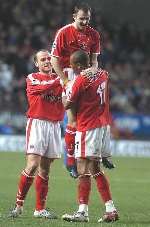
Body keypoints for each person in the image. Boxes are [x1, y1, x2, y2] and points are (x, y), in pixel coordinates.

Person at [50, 2, 114, 177]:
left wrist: (92, 74)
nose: (85, 22)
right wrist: (65, 81)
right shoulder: (63, 32)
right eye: (81, 19)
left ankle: (99, 154)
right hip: (69, 76)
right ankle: (71, 161)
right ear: (74, 17)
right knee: (73, 121)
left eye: (87, 18)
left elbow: (94, 60)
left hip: (86, 76)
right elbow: (54, 60)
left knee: (96, 116)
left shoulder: (94, 34)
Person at [62, 50, 119, 223]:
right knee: (94, 168)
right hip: (103, 125)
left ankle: (82, 212)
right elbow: (101, 75)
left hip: (88, 127)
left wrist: (65, 90)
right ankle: (110, 210)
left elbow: (68, 104)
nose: (73, 69)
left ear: (78, 65)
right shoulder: (103, 74)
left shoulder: (81, 80)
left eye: (73, 66)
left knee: (82, 168)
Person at [9, 50, 65, 219]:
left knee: (45, 169)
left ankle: (39, 209)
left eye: (49, 58)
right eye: (43, 59)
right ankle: (18, 206)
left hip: (54, 125)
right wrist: (62, 78)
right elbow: (44, 88)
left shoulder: (62, 78)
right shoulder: (32, 78)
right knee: (33, 164)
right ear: (36, 64)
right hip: (37, 123)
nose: (47, 61)